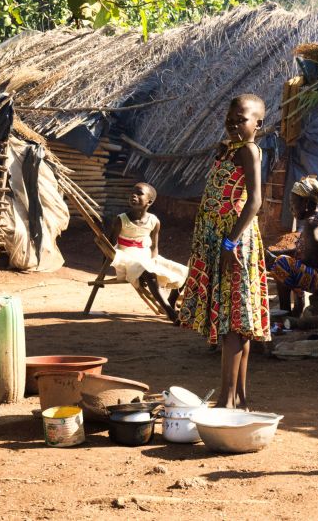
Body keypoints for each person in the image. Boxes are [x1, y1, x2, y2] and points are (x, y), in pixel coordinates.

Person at [178, 94, 271, 409]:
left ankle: (226, 399)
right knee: (235, 320)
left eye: (241, 120)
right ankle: (238, 398)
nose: (233, 125)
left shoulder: (249, 151)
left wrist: (230, 242)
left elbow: (254, 201)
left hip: (234, 241)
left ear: (258, 123)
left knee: (234, 320)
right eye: (230, 120)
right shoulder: (231, 149)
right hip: (221, 238)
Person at [110, 182, 187, 322]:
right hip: (126, 257)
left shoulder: (154, 221)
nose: (133, 195)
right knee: (149, 272)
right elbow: (110, 245)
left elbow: (154, 247)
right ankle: (169, 311)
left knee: (185, 271)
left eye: (139, 193)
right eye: (132, 193)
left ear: (149, 201)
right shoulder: (121, 220)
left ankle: (171, 300)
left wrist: (154, 261)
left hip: (146, 256)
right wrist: (105, 264)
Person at [269, 175, 318, 317]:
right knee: (286, 261)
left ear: (306, 203)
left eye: (293, 203)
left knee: (281, 264)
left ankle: (285, 312)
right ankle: (295, 308)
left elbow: (311, 261)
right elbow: (306, 251)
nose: (291, 208)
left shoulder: (312, 224)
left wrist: (279, 259)